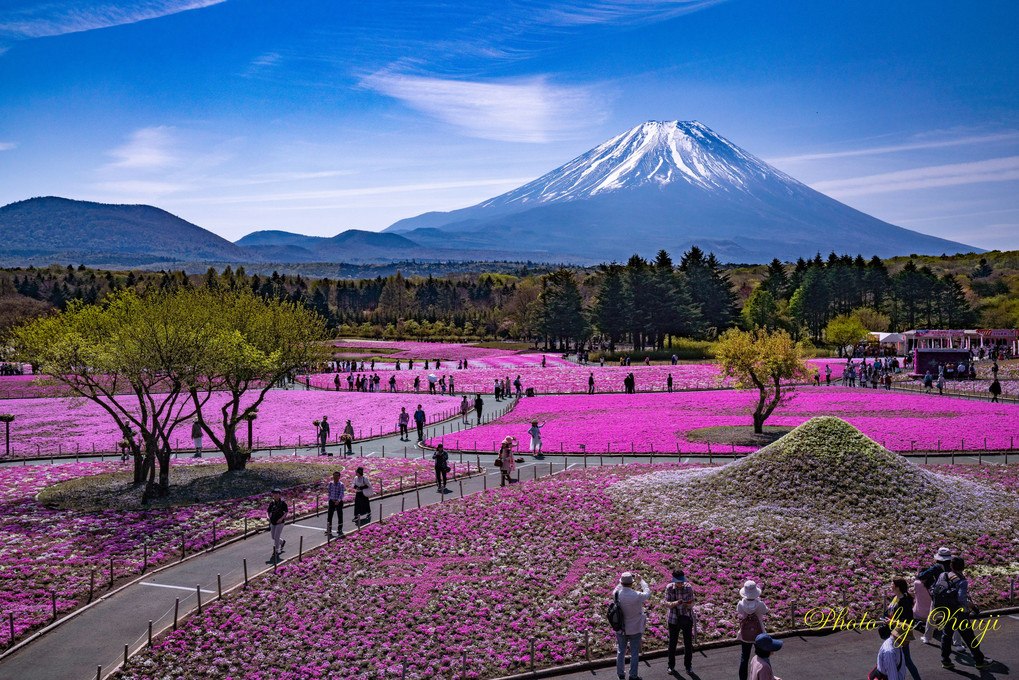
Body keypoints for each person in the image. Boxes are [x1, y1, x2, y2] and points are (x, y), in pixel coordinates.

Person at [937, 557, 992, 671]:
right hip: (960, 613)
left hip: (947, 611)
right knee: (969, 637)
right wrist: (971, 605)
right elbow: (961, 599)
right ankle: (979, 661)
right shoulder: (961, 581)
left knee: (946, 636)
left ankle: (945, 660)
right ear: (963, 567)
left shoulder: (943, 576)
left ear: (951, 566)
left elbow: (935, 590)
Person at [612, 572, 651, 680]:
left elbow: (617, 587)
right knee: (634, 653)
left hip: (621, 628)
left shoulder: (616, 594)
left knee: (621, 651)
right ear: (632, 583)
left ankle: (621, 674)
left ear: (621, 582)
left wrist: (622, 582)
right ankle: (633, 676)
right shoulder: (636, 595)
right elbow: (648, 592)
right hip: (635, 628)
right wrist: (641, 580)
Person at [884, 579, 922, 680]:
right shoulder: (895, 597)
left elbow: (906, 621)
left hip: (901, 634)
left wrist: (892, 622)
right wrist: (886, 618)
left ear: (898, 587)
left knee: (906, 660)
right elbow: (889, 612)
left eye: (892, 584)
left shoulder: (904, 602)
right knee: (895, 658)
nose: (890, 586)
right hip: (893, 632)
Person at [916, 547, 952, 645]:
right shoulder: (952, 567)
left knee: (932, 616)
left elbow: (922, 576)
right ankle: (957, 642)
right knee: (951, 617)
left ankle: (927, 637)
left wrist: (918, 573)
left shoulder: (936, 567)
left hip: (938, 595)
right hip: (951, 594)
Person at [664, 569, 695, 674]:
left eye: (681, 581)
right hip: (673, 618)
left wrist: (687, 604)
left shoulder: (688, 587)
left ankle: (688, 666)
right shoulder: (669, 588)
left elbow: (692, 603)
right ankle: (671, 666)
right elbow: (667, 603)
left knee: (688, 643)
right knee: (672, 644)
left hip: (686, 617)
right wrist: (677, 603)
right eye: (678, 582)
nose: (680, 584)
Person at [736, 580, 769, 680]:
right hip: (759, 633)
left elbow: (739, 612)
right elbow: (765, 611)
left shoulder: (741, 604)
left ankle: (743, 678)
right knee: (763, 656)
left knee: (744, 658)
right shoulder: (760, 604)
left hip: (746, 634)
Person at [266, 488, 287, 561]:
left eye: (276, 493)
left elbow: (286, 512)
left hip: (280, 523)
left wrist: (281, 519)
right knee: (273, 537)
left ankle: (276, 550)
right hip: (273, 521)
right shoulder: (272, 502)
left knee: (276, 537)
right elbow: (268, 511)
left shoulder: (283, 503)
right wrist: (268, 517)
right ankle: (282, 542)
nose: (274, 495)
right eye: (274, 493)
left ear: (279, 494)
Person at [326, 471, 345, 538]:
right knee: (329, 516)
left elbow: (341, 493)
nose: (335, 477)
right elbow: (329, 492)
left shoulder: (341, 484)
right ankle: (329, 529)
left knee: (339, 516)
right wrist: (330, 499)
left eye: (337, 476)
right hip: (332, 501)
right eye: (334, 475)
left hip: (338, 502)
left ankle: (339, 529)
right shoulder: (330, 484)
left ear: (339, 477)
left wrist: (338, 500)